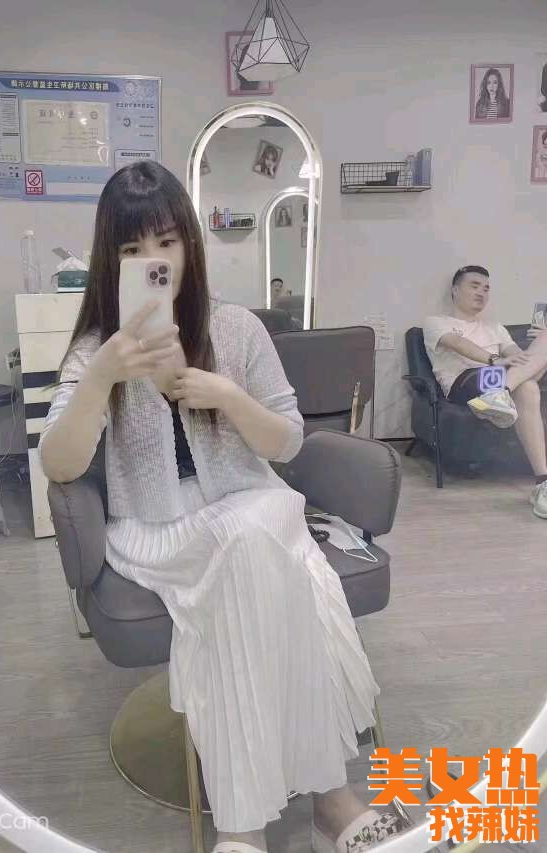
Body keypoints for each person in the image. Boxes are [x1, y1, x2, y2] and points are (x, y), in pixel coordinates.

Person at [40, 162, 404, 853]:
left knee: (248, 546)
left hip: (253, 504)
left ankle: (242, 827)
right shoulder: (96, 350)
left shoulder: (236, 329)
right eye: (132, 249)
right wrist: (103, 375)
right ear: (110, 260)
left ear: (190, 243)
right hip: (158, 529)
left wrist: (227, 396)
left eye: (167, 242)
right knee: (262, 558)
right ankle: (333, 800)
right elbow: (59, 465)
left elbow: (287, 440)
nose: (155, 261)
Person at [423, 266, 547, 518]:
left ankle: (542, 483)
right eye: (475, 286)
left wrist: (537, 348)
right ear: (455, 290)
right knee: (523, 381)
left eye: (486, 288)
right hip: (465, 381)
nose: (482, 292)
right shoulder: (436, 322)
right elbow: (458, 344)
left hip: (502, 378)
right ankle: (499, 393)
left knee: (530, 384)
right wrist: (494, 360)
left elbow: (517, 357)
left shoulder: (495, 327)